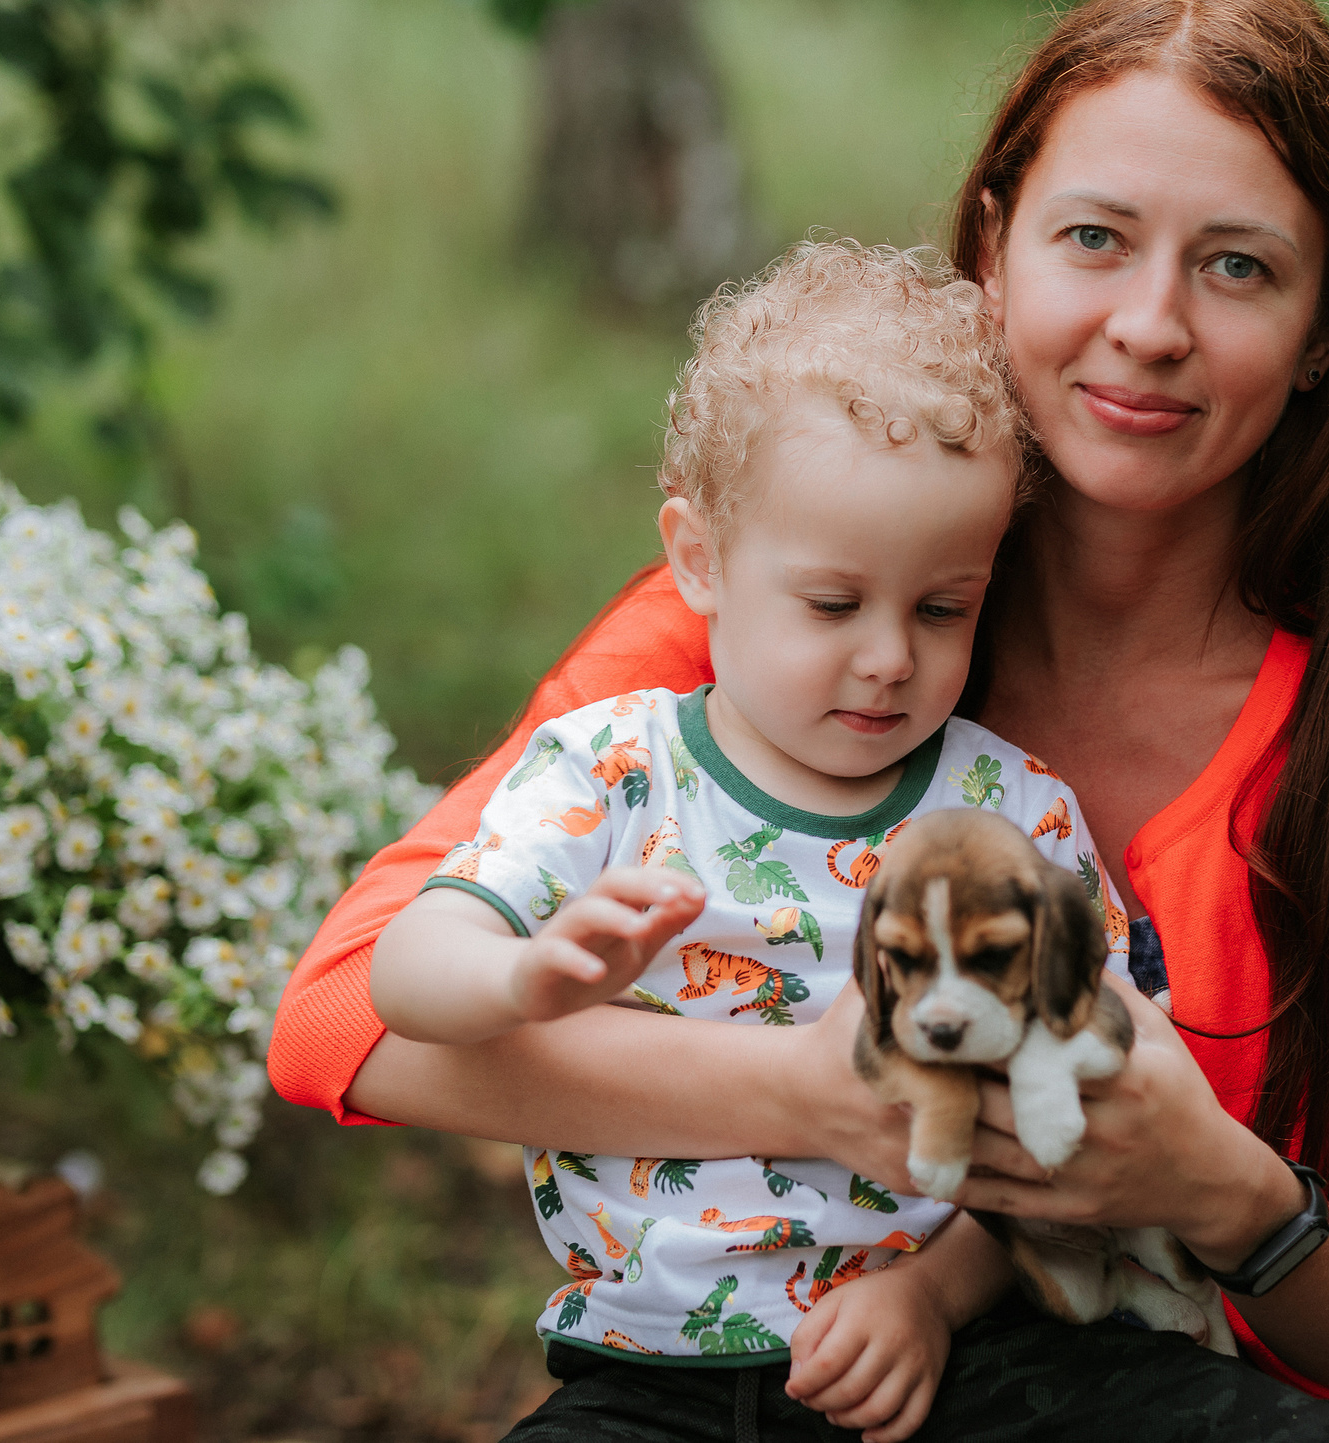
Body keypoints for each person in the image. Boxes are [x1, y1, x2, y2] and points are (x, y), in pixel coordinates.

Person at [269, 0, 1329, 1443]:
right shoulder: (793, 613)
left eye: (1238, 264)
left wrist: (1217, 1186)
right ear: (995, 244)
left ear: (1326, 328)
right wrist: (812, 1093)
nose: (1152, 323)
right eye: (1094, 237)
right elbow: (337, 1018)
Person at [367, 239, 1165, 1441]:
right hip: (652, 1375)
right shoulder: (611, 774)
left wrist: (935, 1300)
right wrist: (520, 974)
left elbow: (1103, 1087)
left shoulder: (1012, 813)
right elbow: (401, 974)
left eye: (944, 607)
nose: (891, 656)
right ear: (699, 560)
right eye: (834, 605)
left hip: (957, 1354)